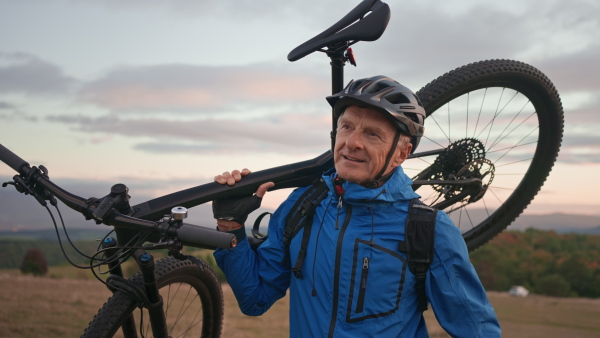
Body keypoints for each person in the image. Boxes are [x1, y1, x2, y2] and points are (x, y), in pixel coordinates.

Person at [212, 76, 501, 337]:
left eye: (372, 134)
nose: (352, 143)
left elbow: (476, 330)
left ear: (402, 152)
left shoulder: (429, 230)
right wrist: (230, 225)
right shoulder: (302, 204)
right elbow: (254, 300)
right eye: (347, 127)